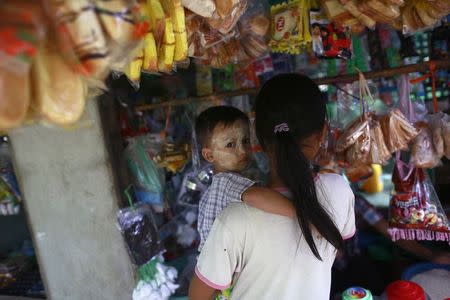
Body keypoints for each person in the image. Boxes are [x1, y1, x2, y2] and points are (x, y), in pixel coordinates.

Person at [189, 74, 356, 299]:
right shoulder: (339, 190)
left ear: (257, 137)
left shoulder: (235, 219)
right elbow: (332, 253)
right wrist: (313, 218)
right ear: (323, 133)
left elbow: (197, 296)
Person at [195, 106, 294, 252]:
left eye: (246, 141)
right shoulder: (227, 181)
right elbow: (257, 196)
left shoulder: (208, 194)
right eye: (230, 145)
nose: (242, 151)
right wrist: (302, 216)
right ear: (209, 155)